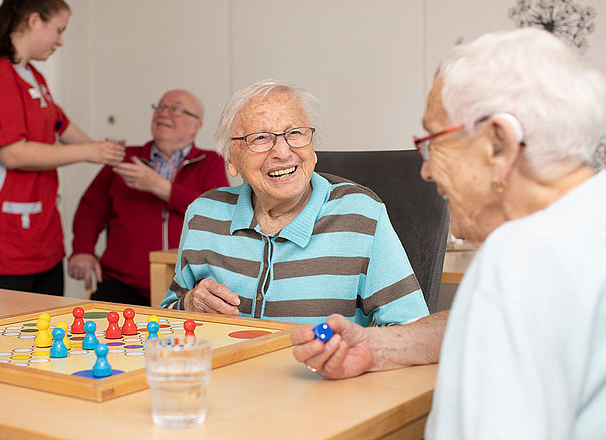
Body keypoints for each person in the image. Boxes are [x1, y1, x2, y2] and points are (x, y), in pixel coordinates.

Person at [291, 28, 606, 439]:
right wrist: (379, 346)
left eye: (434, 142)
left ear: (497, 144)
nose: (425, 168)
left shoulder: (521, 254)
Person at [161, 79, 429, 327]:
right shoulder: (204, 214)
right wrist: (188, 304)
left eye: (295, 133)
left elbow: (410, 327)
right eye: (260, 138)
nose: (282, 151)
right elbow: (166, 318)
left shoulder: (361, 213)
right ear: (231, 160)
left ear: (312, 147)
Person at [0, 0, 125, 296]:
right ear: (34, 21)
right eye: (58, 30)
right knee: (8, 333)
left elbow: (61, 126)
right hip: (2, 234)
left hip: (41, 232)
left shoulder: (33, 76)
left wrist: (111, 156)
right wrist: (91, 153)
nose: (60, 41)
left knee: (48, 330)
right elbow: (13, 153)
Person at [68, 89, 228, 306]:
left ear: (196, 124)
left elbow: (218, 212)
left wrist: (160, 187)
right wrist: (82, 251)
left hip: (190, 288)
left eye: (175, 109)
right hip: (122, 284)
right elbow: (90, 209)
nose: (163, 114)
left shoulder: (211, 162)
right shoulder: (124, 157)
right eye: (160, 107)